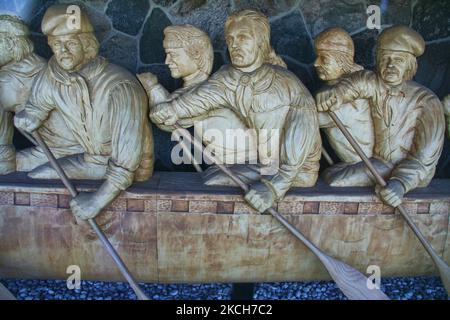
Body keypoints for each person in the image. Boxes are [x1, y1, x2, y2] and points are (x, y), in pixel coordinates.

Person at [150, 10, 321, 213]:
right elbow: (202, 97)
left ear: (260, 41)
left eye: (243, 38)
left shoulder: (284, 83)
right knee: (214, 178)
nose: (234, 45)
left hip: (294, 170)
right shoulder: (228, 76)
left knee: (217, 179)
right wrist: (172, 109)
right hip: (265, 167)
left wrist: (275, 187)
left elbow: (304, 127)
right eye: (230, 39)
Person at [14, 5, 154, 220]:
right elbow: (37, 107)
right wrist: (28, 118)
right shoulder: (54, 73)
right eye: (57, 44)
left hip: (127, 169)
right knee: (26, 169)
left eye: (70, 42)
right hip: (89, 157)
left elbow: (127, 161)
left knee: (42, 176)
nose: (63, 51)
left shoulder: (120, 86)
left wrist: (95, 202)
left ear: (87, 44)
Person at [316, 25, 445, 207]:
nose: (391, 65)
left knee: (334, 180)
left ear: (410, 64)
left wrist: (400, 184)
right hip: (378, 164)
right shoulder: (375, 83)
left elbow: (425, 158)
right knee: (330, 175)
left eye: (398, 60)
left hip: (410, 175)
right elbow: (356, 83)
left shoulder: (427, 102)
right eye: (385, 59)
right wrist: (335, 93)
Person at [0, 14, 81, 175]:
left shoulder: (6, 80)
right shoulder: (43, 65)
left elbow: (3, 152)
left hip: (59, 151)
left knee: (9, 163)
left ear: (9, 45)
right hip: (73, 148)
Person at [313, 28, 374, 185]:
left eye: (323, 58)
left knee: (332, 181)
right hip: (351, 163)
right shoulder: (332, 86)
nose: (316, 63)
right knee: (327, 175)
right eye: (317, 57)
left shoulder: (353, 94)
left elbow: (314, 119)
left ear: (342, 61)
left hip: (368, 165)